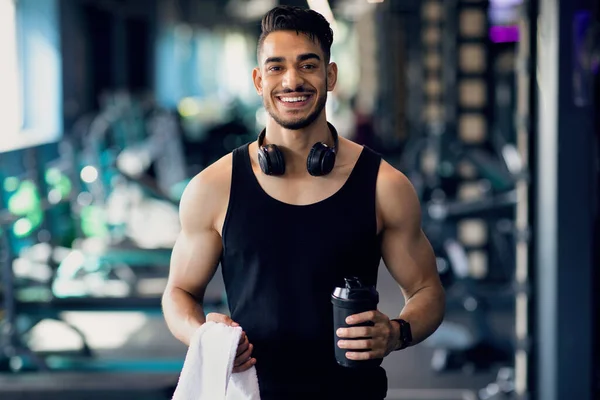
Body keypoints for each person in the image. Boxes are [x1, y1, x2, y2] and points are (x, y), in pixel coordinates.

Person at [162, 5, 445, 399]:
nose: (292, 80)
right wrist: (205, 337)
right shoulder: (214, 187)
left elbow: (427, 290)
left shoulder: (383, 185)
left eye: (307, 65)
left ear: (330, 76)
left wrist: (396, 333)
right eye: (276, 67)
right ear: (259, 80)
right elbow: (178, 292)